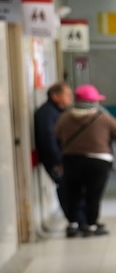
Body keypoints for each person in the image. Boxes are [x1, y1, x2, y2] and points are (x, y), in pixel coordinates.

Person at [56, 84, 116, 238]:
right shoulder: (102, 117)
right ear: (93, 102)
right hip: (98, 161)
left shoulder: (65, 117)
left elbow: (57, 133)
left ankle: (73, 225)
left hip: (71, 160)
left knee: (73, 193)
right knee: (93, 195)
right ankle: (90, 226)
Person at [33, 82, 71, 226]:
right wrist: (58, 162)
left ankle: (79, 220)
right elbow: (48, 139)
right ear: (55, 96)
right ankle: (74, 221)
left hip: (62, 158)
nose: (70, 98)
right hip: (56, 161)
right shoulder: (47, 113)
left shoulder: (57, 111)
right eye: (67, 94)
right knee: (65, 188)